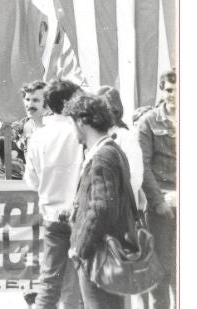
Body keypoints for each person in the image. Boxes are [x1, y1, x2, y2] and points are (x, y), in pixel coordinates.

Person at [66, 95, 133, 309]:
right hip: (106, 251)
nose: (72, 130)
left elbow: (102, 208)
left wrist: (80, 248)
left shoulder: (103, 156)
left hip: (98, 255)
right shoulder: (110, 150)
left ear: (82, 122)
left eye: (72, 123)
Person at [23, 80, 85, 309]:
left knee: (49, 282)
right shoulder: (80, 131)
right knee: (74, 283)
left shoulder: (39, 135)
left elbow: (31, 180)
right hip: (78, 214)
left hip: (51, 215)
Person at [136, 70, 176, 309]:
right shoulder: (149, 121)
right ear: (162, 90)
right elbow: (143, 165)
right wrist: (159, 201)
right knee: (160, 268)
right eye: (169, 90)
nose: (173, 96)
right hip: (161, 206)